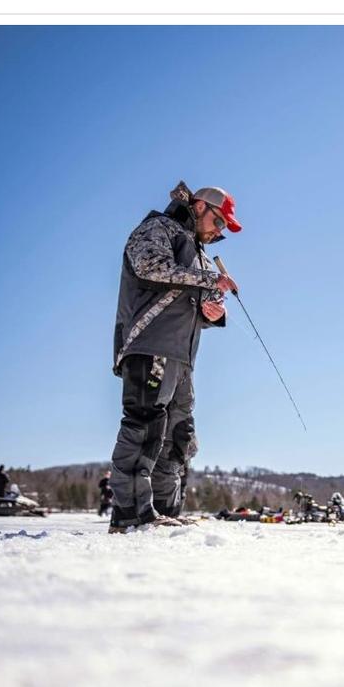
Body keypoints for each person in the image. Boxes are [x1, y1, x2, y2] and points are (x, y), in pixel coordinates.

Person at [108, 181, 242, 533]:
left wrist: (212, 313)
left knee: (179, 433)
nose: (220, 231)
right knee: (145, 425)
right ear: (200, 207)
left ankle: (166, 509)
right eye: (220, 222)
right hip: (149, 345)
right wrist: (208, 278)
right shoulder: (158, 228)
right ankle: (130, 514)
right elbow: (150, 267)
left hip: (182, 358)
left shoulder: (197, 251)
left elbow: (184, 299)